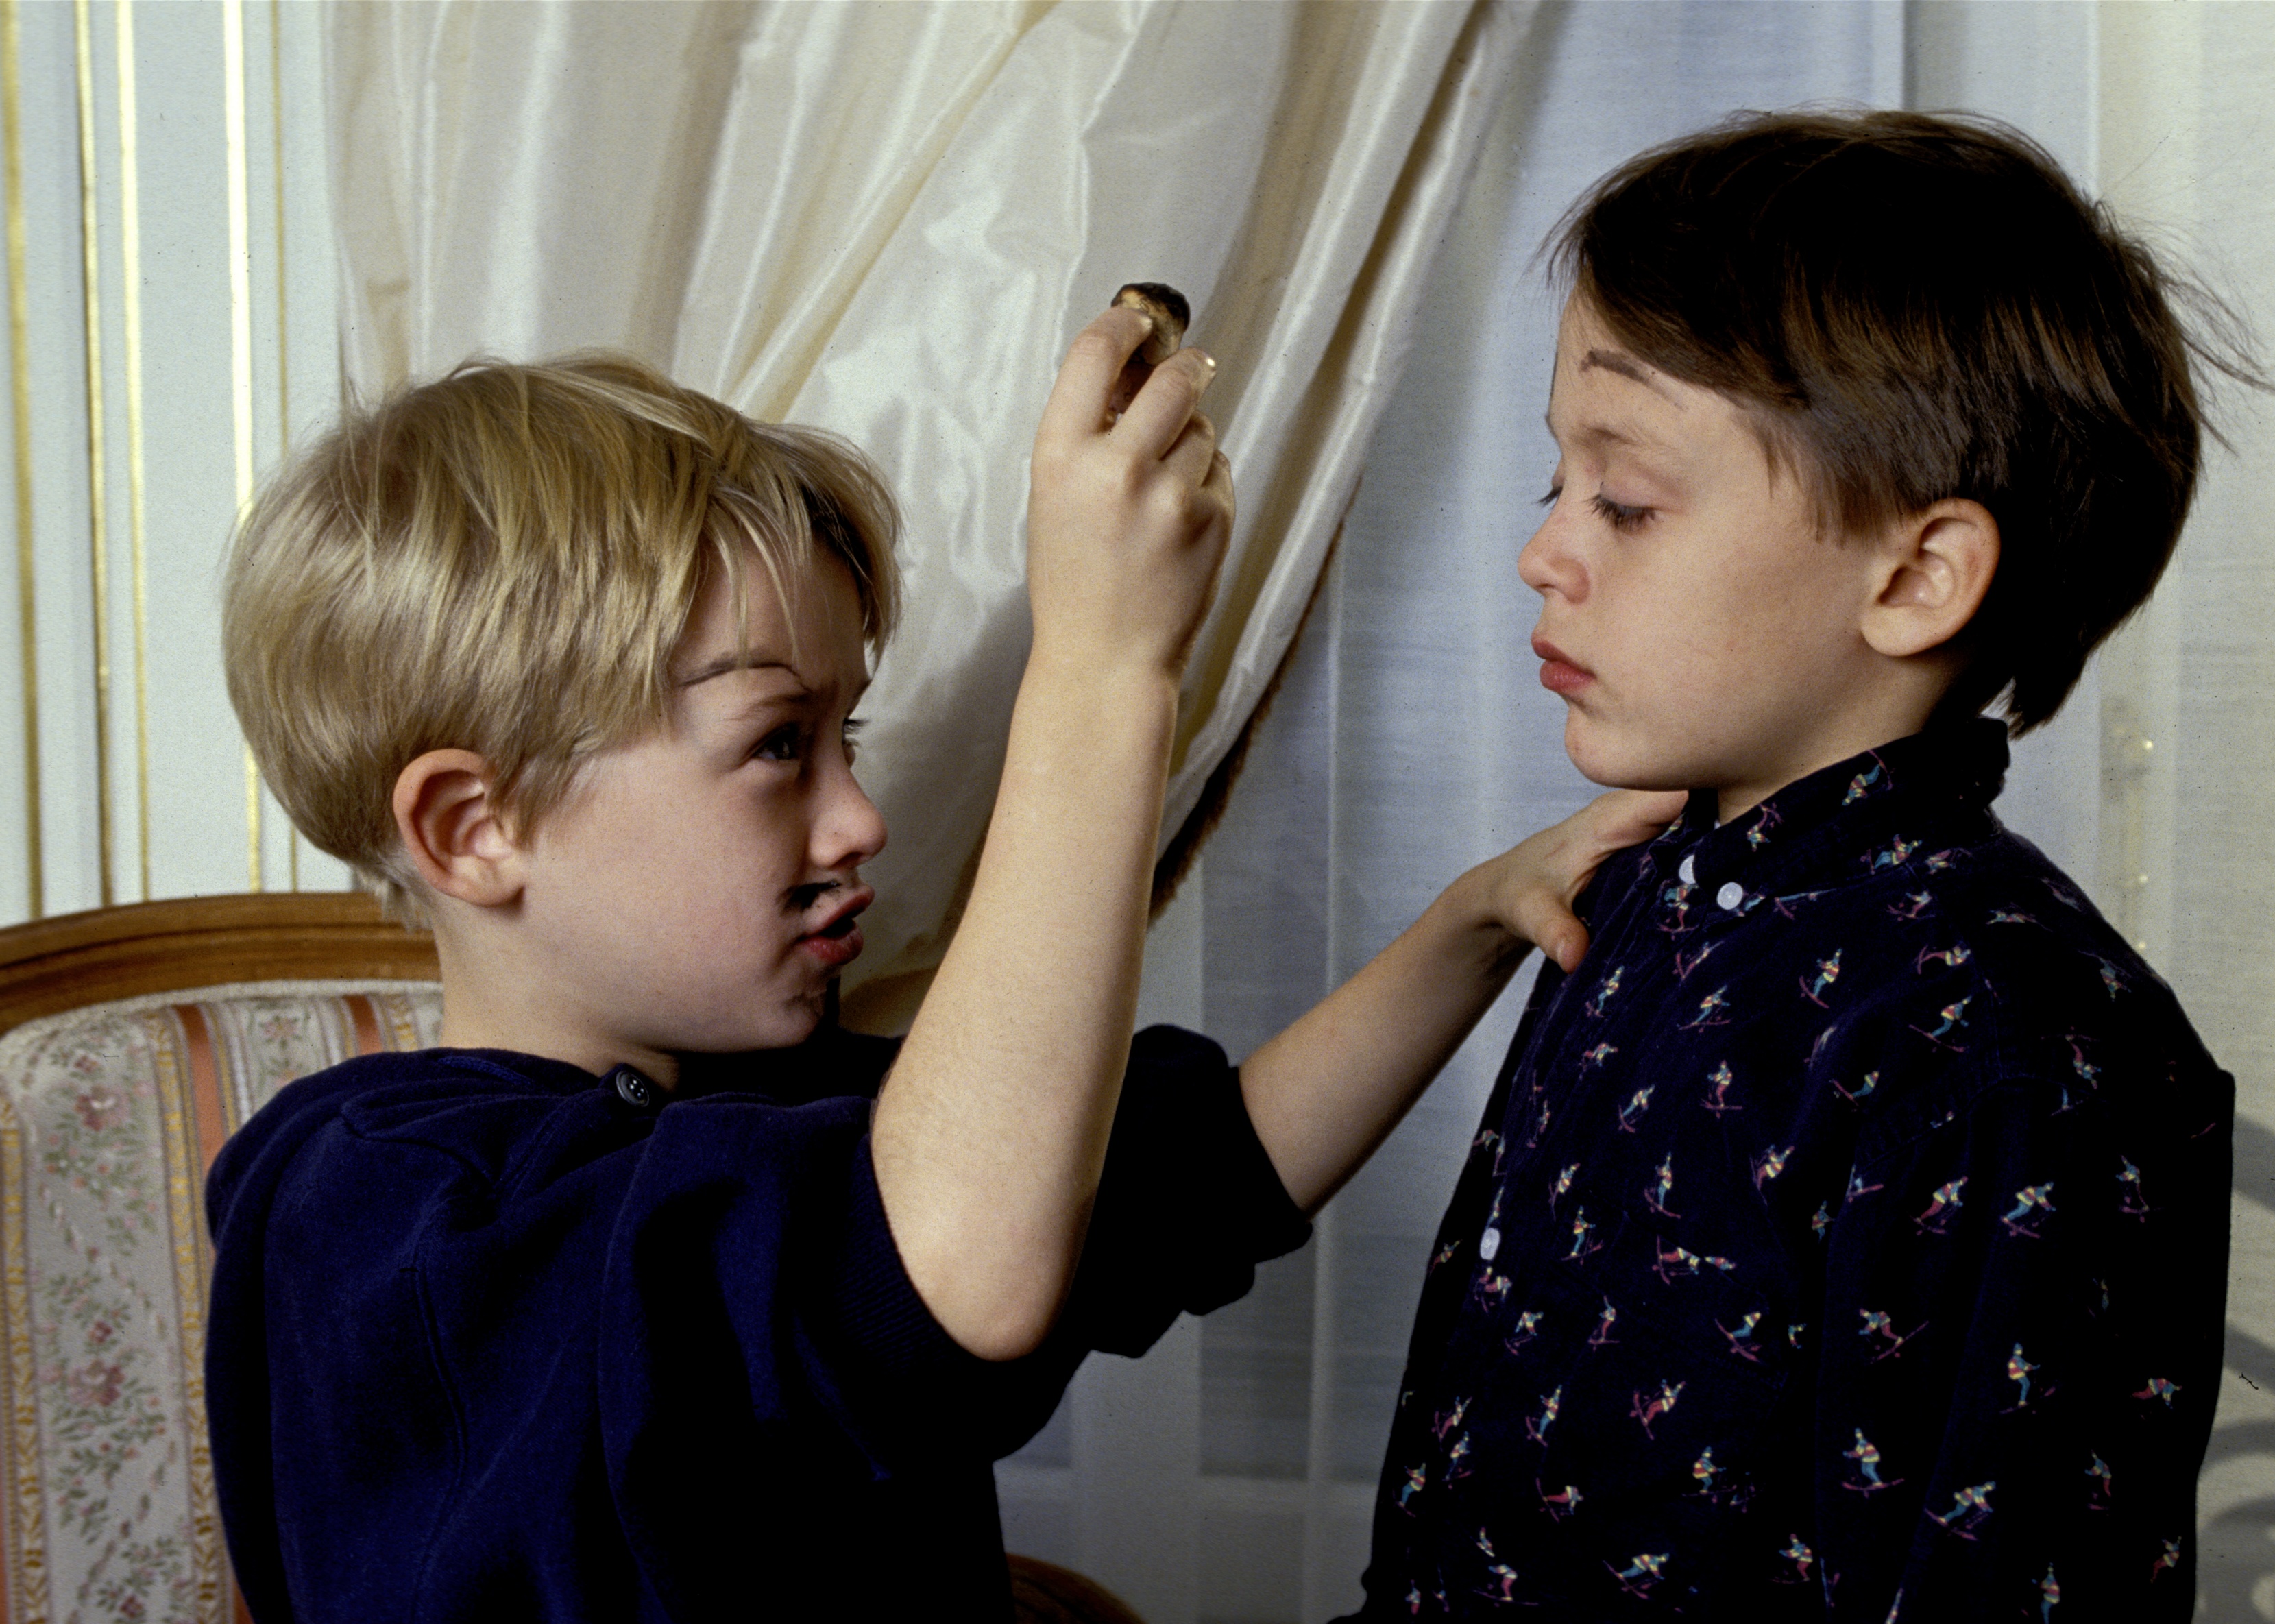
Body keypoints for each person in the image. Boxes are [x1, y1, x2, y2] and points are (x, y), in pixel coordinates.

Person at [206, 318, 1673, 1622]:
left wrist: (1472, 923)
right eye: (779, 746)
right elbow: (955, 1263)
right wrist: (1104, 666)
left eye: (845, 740)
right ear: (477, 830)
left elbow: (1211, 1163)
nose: (859, 819)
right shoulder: (380, 1215)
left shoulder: (786, 1120)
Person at [1335, 110, 2248, 1619]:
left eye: (1622, 500)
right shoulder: (1641, 887)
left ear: (1913, 577)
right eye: (1552, 486)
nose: (1543, 554)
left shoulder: (2009, 1053)